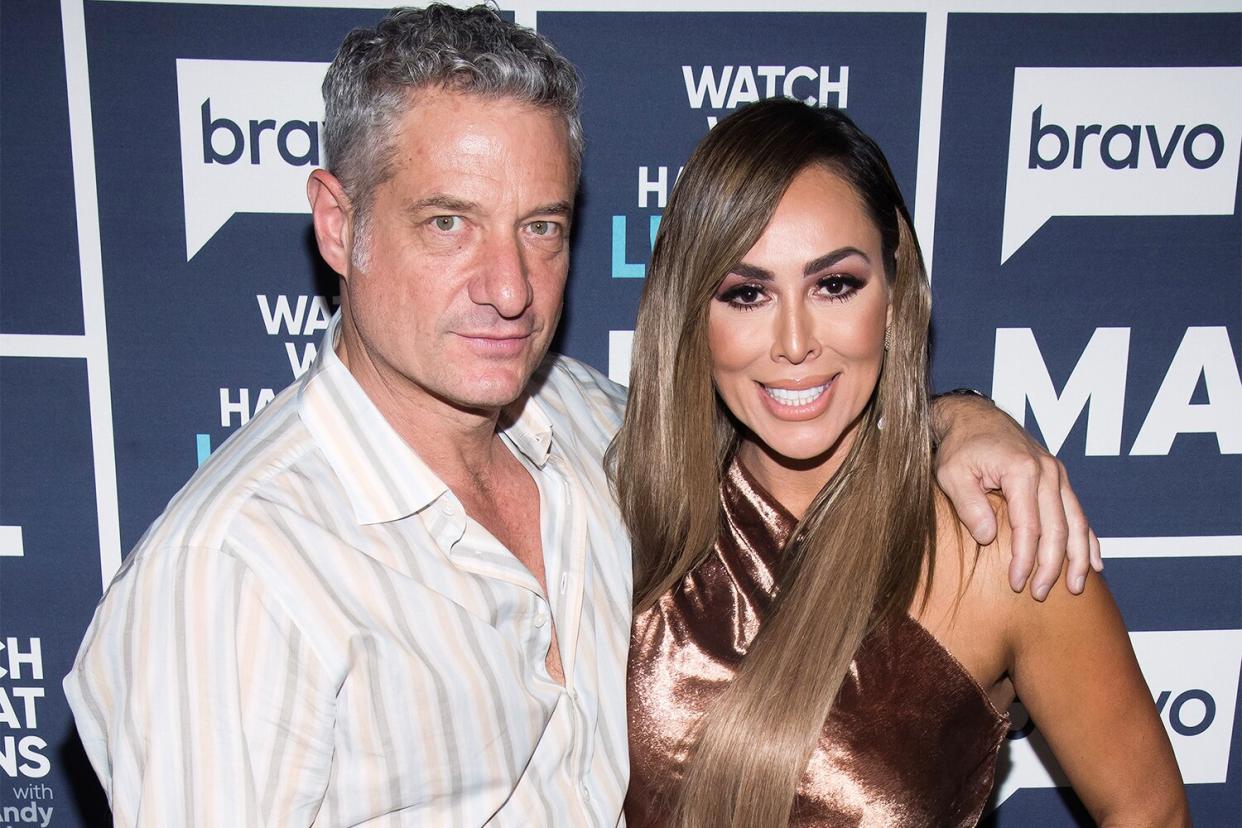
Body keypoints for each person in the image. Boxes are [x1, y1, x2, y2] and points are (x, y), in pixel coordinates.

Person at [66, 6, 1097, 826]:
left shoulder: (595, 433)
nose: (508, 288)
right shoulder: (236, 579)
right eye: (447, 223)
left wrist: (953, 418)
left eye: (542, 227)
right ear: (339, 223)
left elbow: (799, 400)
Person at [617, 98, 1187, 827]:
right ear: (693, 312)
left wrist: (953, 413)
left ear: (894, 295)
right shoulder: (620, 512)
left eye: (834, 285)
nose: (795, 342)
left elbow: (1151, 812)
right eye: (747, 293)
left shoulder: (999, 541)